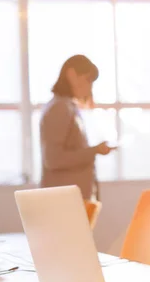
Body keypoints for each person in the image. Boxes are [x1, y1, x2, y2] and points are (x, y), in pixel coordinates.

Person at [40, 55, 115, 201]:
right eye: (88, 80)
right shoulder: (59, 108)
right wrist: (94, 151)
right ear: (72, 74)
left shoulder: (68, 107)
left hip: (72, 202)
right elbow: (53, 159)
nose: (89, 87)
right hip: (63, 204)